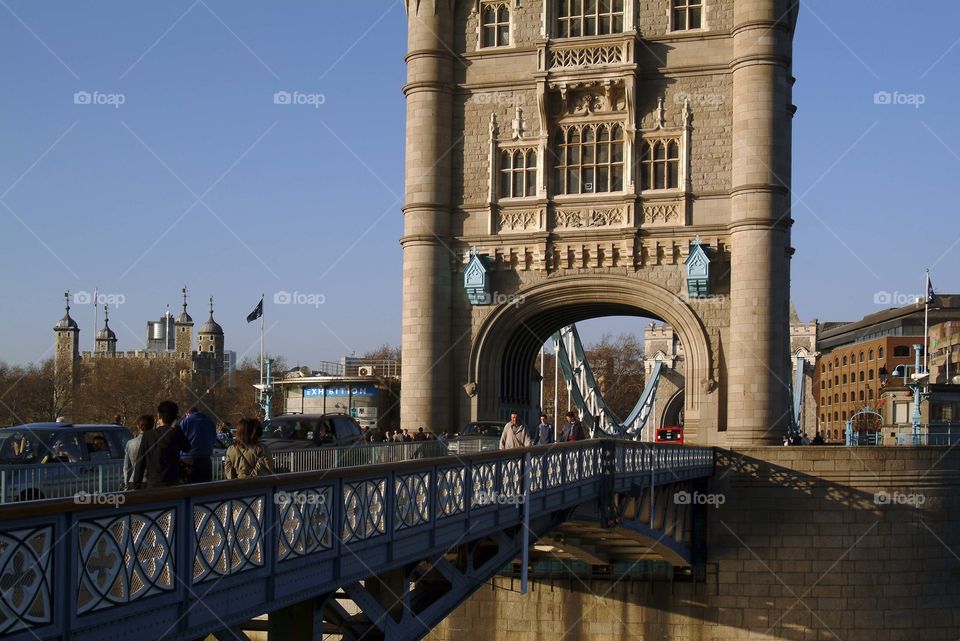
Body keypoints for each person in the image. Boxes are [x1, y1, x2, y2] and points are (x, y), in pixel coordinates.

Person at [133, 401, 191, 489]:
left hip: (152, 484)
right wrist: (177, 427)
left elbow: (140, 462)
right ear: (175, 417)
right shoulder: (175, 432)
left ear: (159, 416)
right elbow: (187, 447)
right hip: (172, 484)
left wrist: (136, 485)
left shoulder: (148, 435)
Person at [124, 415, 152, 490]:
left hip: (133, 480)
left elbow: (127, 467)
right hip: (150, 481)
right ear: (152, 426)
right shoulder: (154, 442)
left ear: (138, 426)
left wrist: (126, 483)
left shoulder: (130, 443)